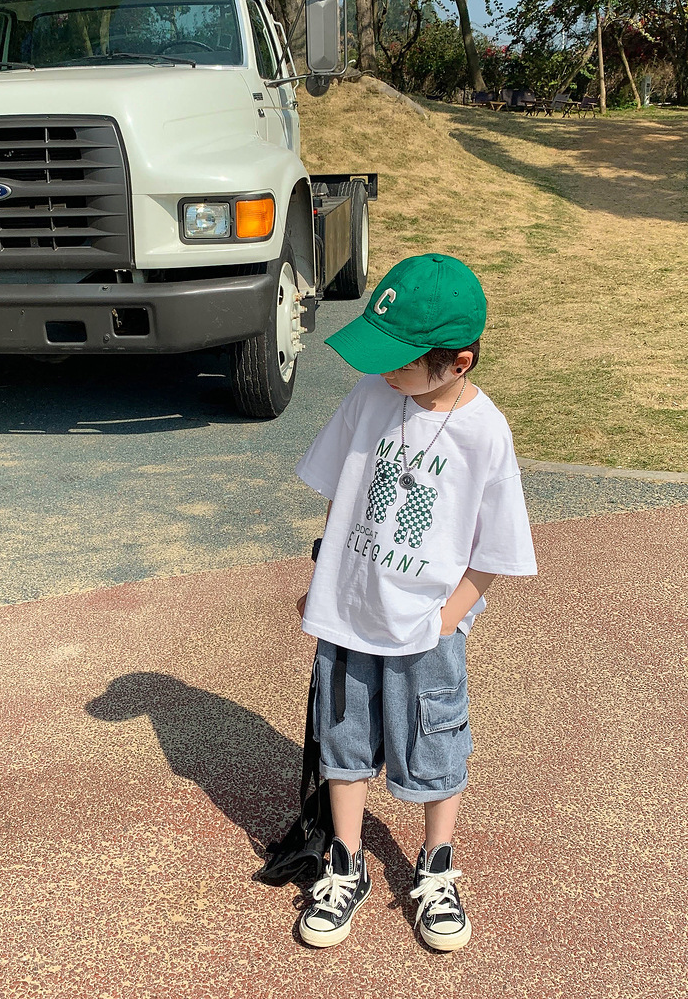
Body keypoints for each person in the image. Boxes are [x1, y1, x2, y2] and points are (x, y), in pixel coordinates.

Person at [293, 253, 537, 950]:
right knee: (342, 736)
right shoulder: (371, 397)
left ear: (457, 362)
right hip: (349, 614)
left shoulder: (485, 433)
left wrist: (447, 619)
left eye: (399, 359)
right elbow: (342, 490)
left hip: (428, 627)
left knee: (436, 742)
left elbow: (496, 550)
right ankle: (345, 862)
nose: (384, 371)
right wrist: (326, 580)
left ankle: (436, 865)